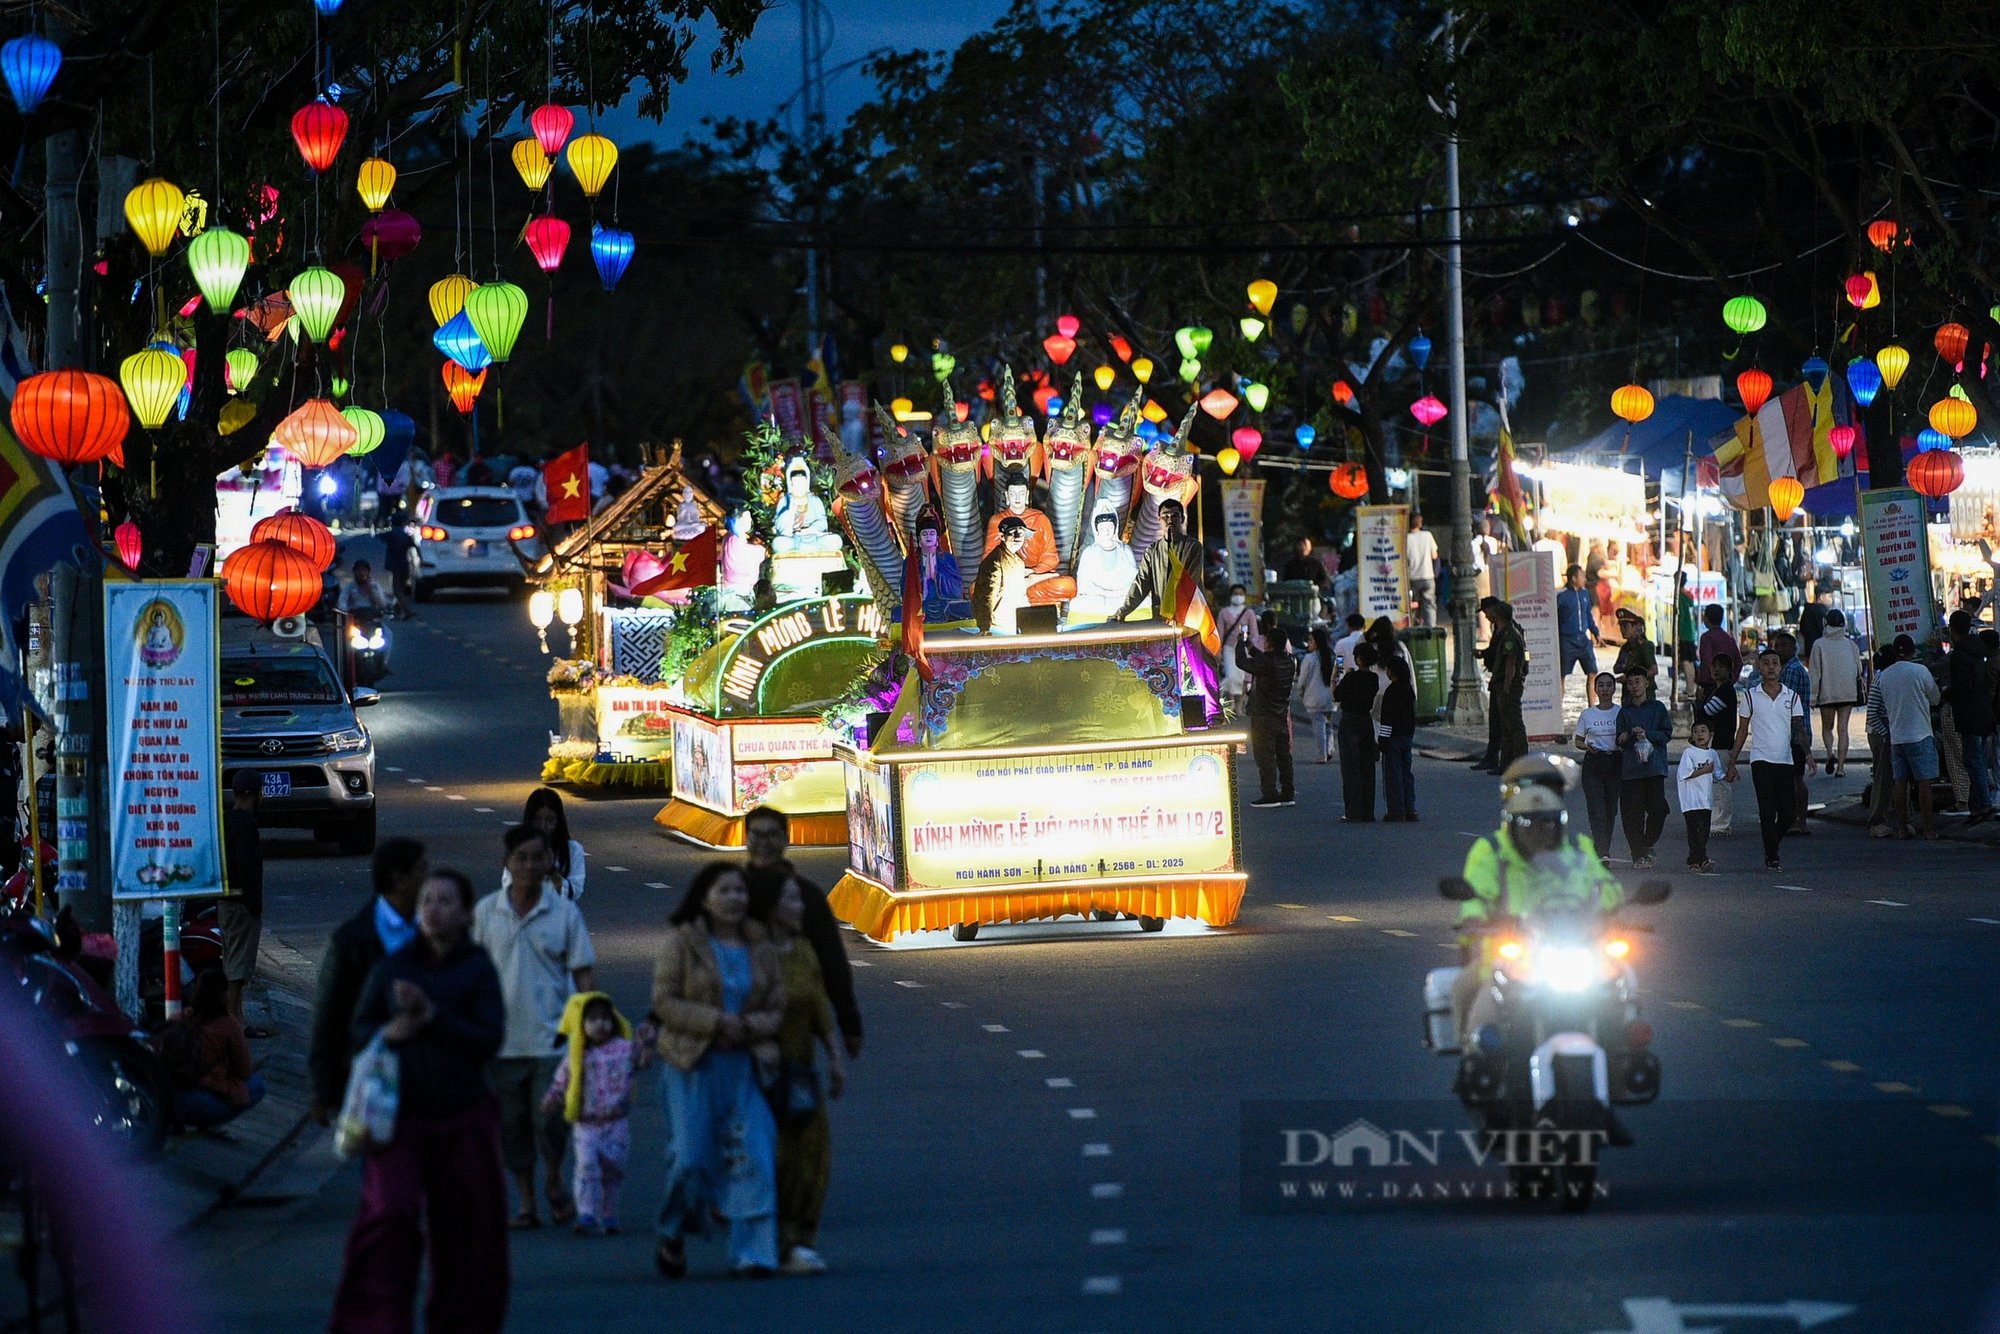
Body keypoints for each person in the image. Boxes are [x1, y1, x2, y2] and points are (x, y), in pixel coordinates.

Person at [330, 869, 508, 1334]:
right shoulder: (395, 966)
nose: (434, 909)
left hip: (462, 1115)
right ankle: (375, 1322)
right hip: (399, 1121)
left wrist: (433, 1019)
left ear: (467, 913)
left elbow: (489, 1038)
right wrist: (391, 1031)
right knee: (387, 1218)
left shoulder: (477, 968)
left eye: (446, 901)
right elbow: (360, 1029)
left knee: (466, 1229)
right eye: (427, 900)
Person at [648, 862, 784, 1280]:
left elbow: (777, 1007)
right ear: (705, 898)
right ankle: (672, 1232)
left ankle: (754, 1254)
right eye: (723, 890)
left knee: (756, 1158)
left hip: (745, 1066)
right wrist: (714, 1021)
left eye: (739, 891)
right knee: (691, 1162)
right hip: (692, 1066)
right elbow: (664, 1002)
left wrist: (748, 1027)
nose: (733, 898)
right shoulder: (682, 944)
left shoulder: (761, 946)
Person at [472, 825, 597, 1230]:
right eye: (520, 858)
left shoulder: (564, 913)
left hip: (553, 1042)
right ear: (506, 863)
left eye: (536, 857)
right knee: (512, 1128)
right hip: (502, 1043)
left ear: (549, 862)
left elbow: (582, 975)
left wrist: (589, 1034)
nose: (529, 866)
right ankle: (526, 1202)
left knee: (551, 1121)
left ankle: (554, 1174)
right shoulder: (486, 914)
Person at [1450, 755, 1623, 1043]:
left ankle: (1627, 1063)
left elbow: (1604, 887)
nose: (1538, 829)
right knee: (1471, 1006)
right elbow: (1475, 895)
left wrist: (1615, 911)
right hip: (1507, 963)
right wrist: (1474, 918)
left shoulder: (1579, 848)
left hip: (1576, 949)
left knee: (1623, 994)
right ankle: (1473, 1071)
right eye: (1529, 823)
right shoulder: (1491, 850)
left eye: (1546, 822)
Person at [309, 838, 428, 1125]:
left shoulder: (435, 931)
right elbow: (330, 1017)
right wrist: (324, 1092)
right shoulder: (352, 942)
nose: (428, 881)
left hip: (430, 1080)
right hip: (373, 1082)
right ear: (400, 879)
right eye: (421, 872)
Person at [763, 874, 847, 1276]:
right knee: (776, 1158)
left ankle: (801, 1239)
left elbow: (818, 1009)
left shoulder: (804, 951)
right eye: (792, 900)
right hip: (760, 1072)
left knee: (814, 1154)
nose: (801, 908)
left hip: (799, 1071)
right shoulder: (754, 955)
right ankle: (776, 1238)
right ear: (772, 909)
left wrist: (834, 1057)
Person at [741, 806, 863, 1059]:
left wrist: (849, 1022)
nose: (764, 843)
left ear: (787, 839)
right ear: (746, 840)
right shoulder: (733, 893)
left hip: (793, 1029)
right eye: (757, 835)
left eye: (772, 835)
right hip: (739, 1030)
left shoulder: (806, 895)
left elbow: (832, 961)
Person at [542, 992, 649, 1236]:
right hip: (586, 1124)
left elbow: (642, 1062)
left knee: (613, 1170)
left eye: (605, 1018)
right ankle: (587, 1214)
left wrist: (647, 1042)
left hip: (616, 1123)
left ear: (614, 1021)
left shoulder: (624, 1049)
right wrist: (551, 1100)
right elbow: (561, 1082)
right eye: (592, 1019)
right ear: (581, 1024)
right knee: (587, 1166)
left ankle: (609, 1213)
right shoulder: (576, 1056)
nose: (600, 1024)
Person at [1729, 647, 1814, 870]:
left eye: (1775, 663)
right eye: (1765, 663)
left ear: (1781, 667)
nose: (1770, 667)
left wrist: (1809, 755)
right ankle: (1772, 854)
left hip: (1784, 759)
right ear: (1759, 667)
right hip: (1760, 759)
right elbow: (1742, 730)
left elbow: (1799, 728)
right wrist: (1732, 762)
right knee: (1767, 810)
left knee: (1787, 812)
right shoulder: (1750, 696)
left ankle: (1771, 842)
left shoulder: (1791, 696)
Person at [167, 969, 265, 1132]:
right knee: (256, 1084)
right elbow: (244, 1071)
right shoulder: (229, 1026)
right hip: (202, 1100)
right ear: (223, 996)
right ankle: (210, 1123)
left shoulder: (178, 1018)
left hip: (168, 1096)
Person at [220, 770, 272, 1038]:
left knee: (233, 962)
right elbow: (248, 866)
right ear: (254, 794)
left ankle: (237, 1016)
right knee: (238, 968)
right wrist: (254, 904)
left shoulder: (227, 820)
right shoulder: (246, 825)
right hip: (240, 902)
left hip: (226, 901)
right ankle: (234, 1020)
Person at [981, 471, 1074, 604]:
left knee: (1067, 585)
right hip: (1007, 577)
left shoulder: (1040, 519)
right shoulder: (997, 521)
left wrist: (1032, 573)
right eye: (1013, 494)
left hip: (1036, 576)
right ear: (1007, 496)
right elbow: (988, 560)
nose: (1017, 498)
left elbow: (1051, 557)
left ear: (1027, 495)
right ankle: (1029, 596)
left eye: (1021, 493)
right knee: (978, 589)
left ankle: (1022, 594)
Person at [1237, 612, 1299, 809]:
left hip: (1264, 714)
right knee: (1283, 755)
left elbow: (1243, 663)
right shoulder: (1290, 660)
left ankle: (1270, 793)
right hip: (1281, 712)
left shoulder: (1267, 661)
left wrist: (1240, 644)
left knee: (1264, 755)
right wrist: (1250, 647)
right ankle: (1288, 792)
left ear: (1268, 643)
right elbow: (1264, 659)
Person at [1615, 669, 1672, 868]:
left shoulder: (1658, 708)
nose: (1634, 686)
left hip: (1654, 768)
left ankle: (1647, 843)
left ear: (1646, 683)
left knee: (1659, 809)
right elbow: (1620, 741)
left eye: (1637, 681)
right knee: (1633, 815)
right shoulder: (1625, 712)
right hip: (1632, 770)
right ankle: (1637, 854)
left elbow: (1666, 734)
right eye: (1630, 683)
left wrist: (1647, 734)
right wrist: (1627, 736)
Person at [1945, 610, 1996, 823]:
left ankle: (1982, 804)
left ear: (1952, 629)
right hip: (1985, 712)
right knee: (1979, 760)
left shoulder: (1958, 656)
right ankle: (1980, 803)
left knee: (1973, 761)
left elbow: (1961, 687)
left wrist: (1946, 693)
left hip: (1968, 715)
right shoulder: (1980, 651)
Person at [1572, 671, 1622, 859]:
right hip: (1594, 763)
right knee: (1597, 809)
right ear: (1595, 689)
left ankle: (1600, 845)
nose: (1605, 689)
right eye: (1601, 685)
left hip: (1615, 763)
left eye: (1609, 685)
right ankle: (1603, 852)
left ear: (1614, 688)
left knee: (1610, 809)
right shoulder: (1587, 714)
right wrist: (1586, 746)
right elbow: (1577, 741)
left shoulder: (1620, 712)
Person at [1808, 610, 1865, 775]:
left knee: (1827, 726)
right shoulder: (1850, 644)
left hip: (1827, 692)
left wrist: (1812, 697)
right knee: (1843, 729)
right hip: (1848, 692)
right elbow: (1859, 669)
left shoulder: (1819, 644)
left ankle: (1829, 753)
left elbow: (1815, 672)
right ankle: (1840, 768)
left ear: (1826, 624)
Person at [1773, 631, 1814, 833]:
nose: (1779, 649)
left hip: (1793, 732)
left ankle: (1798, 820)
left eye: (1783, 646)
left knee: (1794, 778)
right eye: (1777, 645)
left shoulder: (1791, 670)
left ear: (1792, 648)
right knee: (1793, 778)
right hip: (1796, 730)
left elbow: (1783, 702)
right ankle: (1798, 820)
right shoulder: (1795, 669)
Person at [1481, 597, 1529, 771]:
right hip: (1502, 684)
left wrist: (1507, 684)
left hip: (1508, 684)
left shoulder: (1509, 635)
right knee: (1506, 726)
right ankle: (1507, 763)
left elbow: (1510, 662)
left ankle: (1521, 762)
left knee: (1514, 724)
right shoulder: (1503, 632)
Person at [1335, 641, 1380, 822]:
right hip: (1365, 721)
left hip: (1350, 721)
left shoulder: (1351, 677)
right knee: (1367, 767)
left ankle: (1353, 809)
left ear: (1359, 659)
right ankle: (1367, 810)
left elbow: (1337, 695)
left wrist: (1341, 677)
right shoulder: (1373, 679)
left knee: (1350, 767)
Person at [517, 787, 588, 901]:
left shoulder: (573, 849)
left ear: (558, 822)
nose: (543, 827)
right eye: (537, 820)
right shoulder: (518, 849)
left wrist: (552, 872)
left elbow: (575, 891)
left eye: (550, 821)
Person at [1068, 510, 1138, 622]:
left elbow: (1134, 581)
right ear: (1096, 530)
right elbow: (1084, 584)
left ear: (1115, 527)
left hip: (1121, 597)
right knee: (1077, 604)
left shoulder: (1125, 550)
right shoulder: (1089, 552)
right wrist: (1103, 593)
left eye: (1110, 527)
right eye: (1102, 528)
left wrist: (1119, 592)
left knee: (1144, 601)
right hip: (1097, 599)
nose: (1106, 531)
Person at [1699, 652, 1740, 835]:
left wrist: (1699, 701)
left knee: (1720, 783)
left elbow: (1707, 711)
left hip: (1722, 742)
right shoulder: (1720, 689)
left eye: (1721, 666)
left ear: (1729, 670)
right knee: (1717, 783)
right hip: (1719, 743)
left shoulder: (1725, 691)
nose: (1716, 670)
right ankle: (1717, 821)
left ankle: (1721, 823)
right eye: (1714, 666)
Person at [973, 516, 1030, 635]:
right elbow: (986, 595)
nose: (1018, 537)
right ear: (1001, 536)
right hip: (998, 626)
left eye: (1021, 533)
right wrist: (985, 627)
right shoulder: (994, 561)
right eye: (1012, 533)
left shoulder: (1019, 561)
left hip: (1017, 621)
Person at [1379, 655, 1419, 821]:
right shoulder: (1408, 690)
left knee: (1393, 775)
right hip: (1407, 736)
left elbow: (1387, 717)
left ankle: (1396, 810)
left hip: (1393, 737)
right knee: (1406, 773)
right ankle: (1410, 808)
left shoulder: (1391, 691)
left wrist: (1383, 737)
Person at [1863, 646, 1898, 837]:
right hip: (1880, 732)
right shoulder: (1882, 679)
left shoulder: (1882, 677)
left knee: (1891, 777)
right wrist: (1885, 734)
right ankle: (1877, 820)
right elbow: (1873, 714)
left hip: (1884, 730)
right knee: (1883, 777)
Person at [1678, 721, 1719, 873]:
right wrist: (1704, 770)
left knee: (1704, 831)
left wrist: (1729, 775)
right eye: (1696, 731)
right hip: (1690, 801)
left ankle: (1694, 860)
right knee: (1694, 831)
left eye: (1703, 731)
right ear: (1692, 736)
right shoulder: (1689, 753)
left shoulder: (1712, 754)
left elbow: (1717, 774)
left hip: (1705, 801)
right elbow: (1685, 774)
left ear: (1710, 735)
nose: (1700, 734)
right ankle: (1702, 859)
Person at [1294, 626, 1338, 763]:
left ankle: (1322, 754)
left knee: (1318, 726)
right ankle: (1329, 748)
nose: (1309, 643)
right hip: (1330, 697)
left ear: (1317, 642)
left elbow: (1302, 680)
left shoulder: (1309, 659)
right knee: (1328, 725)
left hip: (1314, 698)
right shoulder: (1333, 656)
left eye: (1311, 640)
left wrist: (1300, 691)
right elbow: (1338, 674)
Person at [1556, 564, 1602, 683]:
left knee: (1593, 671)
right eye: (1582, 576)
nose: (1585, 579)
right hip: (1567, 640)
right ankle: (1560, 700)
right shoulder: (1561, 596)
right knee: (1561, 674)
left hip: (1583, 639)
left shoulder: (1584, 594)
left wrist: (1596, 632)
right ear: (1574, 578)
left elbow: (1588, 615)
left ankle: (1592, 702)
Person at [1216, 584, 1258, 715]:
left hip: (1244, 650)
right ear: (1231, 595)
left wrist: (1255, 651)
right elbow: (1219, 633)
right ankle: (1231, 703)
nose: (1238, 596)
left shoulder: (1249, 613)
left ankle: (1239, 706)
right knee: (1231, 676)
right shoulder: (1224, 612)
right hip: (1229, 649)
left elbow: (1254, 633)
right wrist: (1217, 651)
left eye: (1240, 594)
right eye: (1236, 593)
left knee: (1242, 679)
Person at [1695, 604, 1735, 707]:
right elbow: (1738, 662)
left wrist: (1701, 685)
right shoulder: (1729, 638)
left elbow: (1707, 662)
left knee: (1706, 716)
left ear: (1706, 618)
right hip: (1727, 684)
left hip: (1709, 686)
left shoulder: (1706, 637)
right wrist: (1731, 679)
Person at [1612, 607, 1656, 696]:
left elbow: (1654, 670)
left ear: (1635, 627)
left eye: (1626, 627)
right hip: (1628, 693)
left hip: (1645, 693)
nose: (1622, 630)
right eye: (1621, 626)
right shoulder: (1625, 647)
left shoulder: (1645, 646)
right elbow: (1616, 668)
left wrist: (1633, 677)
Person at [1405, 515, 1440, 628]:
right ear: (1420, 524)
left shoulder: (1406, 539)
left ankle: (1415, 625)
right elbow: (1434, 555)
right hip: (1428, 575)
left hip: (1413, 577)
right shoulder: (1427, 536)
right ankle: (1431, 628)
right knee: (1429, 604)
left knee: (1414, 604)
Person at [380, 517, 418, 619]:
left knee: (396, 589)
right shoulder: (405, 535)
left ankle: (408, 610)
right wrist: (421, 559)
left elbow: (379, 536)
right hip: (405, 564)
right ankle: (398, 611)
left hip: (394, 564)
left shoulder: (391, 534)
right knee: (401, 588)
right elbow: (415, 546)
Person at [1331, 613, 1366, 682]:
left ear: (1348, 626)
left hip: (1347, 682)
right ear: (1364, 626)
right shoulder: (1369, 642)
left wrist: (1336, 681)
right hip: (1367, 682)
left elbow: (1339, 664)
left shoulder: (1341, 643)